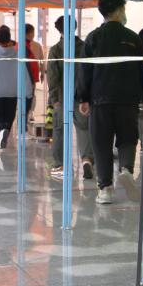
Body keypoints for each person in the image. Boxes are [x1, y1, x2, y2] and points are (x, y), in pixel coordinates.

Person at [77, 0, 143, 205]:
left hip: (100, 99)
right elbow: (142, 70)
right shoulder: (133, 38)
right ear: (118, 10)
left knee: (101, 143)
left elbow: (85, 69)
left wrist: (83, 97)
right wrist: (141, 97)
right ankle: (126, 169)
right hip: (128, 100)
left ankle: (105, 189)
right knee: (128, 137)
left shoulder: (93, 38)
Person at [47, 15, 94, 181]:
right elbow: (90, 72)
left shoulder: (55, 50)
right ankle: (87, 159)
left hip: (61, 97)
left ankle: (59, 164)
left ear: (58, 29)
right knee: (84, 129)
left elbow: (52, 76)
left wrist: (54, 99)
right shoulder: (85, 47)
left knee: (59, 130)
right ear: (74, 27)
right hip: (82, 96)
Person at [0, 26, 31, 150]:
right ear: (9, 40)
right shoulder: (17, 56)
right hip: (12, 93)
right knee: (9, 118)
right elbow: (24, 76)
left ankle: (1, 131)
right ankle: (3, 133)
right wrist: (28, 92)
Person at [25, 23, 44, 124]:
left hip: (32, 75)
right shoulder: (23, 45)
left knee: (30, 94)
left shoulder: (36, 45)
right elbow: (42, 60)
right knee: (30, 94)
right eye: (32, 32)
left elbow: (41, 60)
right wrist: (42, 72)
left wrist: (42, 72)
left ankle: (30, 112)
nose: (32, 34)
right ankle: (28, 113)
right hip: (29, 75)